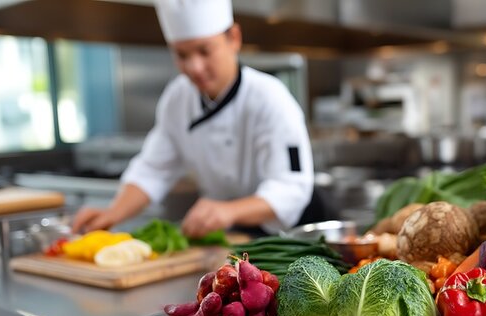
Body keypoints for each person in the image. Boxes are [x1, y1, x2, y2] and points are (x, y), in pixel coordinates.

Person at [72, 0, 314, 238]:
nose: (194, 67)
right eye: (182, 55)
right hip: (229, 237)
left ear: (234, 39)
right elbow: (152, 170)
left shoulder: (270, 98)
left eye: (204, 51)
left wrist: (228, 211)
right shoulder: (178, 98)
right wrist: (113, 213)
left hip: (287, 237)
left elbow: (291, 188)